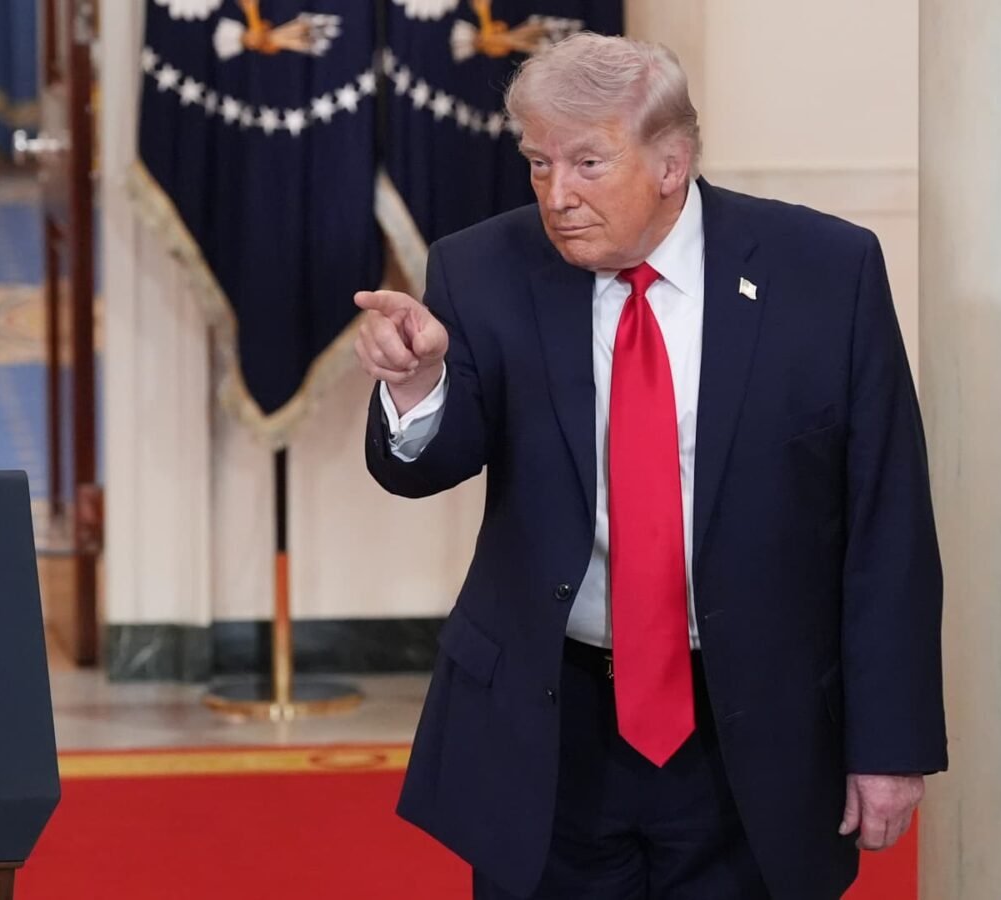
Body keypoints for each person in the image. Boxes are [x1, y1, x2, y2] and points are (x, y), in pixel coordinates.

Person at [354, 33, 945, 900]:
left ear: (672, 164)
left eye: (588, 163)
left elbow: (888, 524)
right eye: (538, 163)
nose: (558, 196)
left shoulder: (826, 272)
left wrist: (890, 747)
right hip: (556, 727)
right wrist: (420, 383)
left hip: (754, 727)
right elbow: (425, 466)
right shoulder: (481, 268)